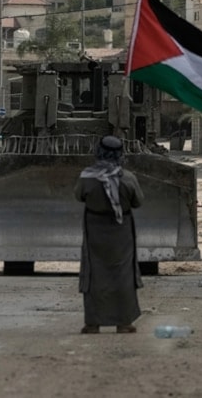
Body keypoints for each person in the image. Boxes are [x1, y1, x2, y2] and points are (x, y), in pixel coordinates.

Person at [74, 134, 145, 334]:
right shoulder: (128, 177)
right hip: (121, 230)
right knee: (122, 273)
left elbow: (78, 195)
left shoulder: (86, 176)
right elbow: (138, 201)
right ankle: (123, 322)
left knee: (94, 273)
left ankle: (92, 323)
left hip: (94, 230)